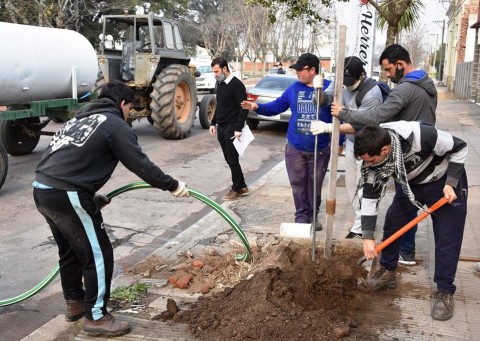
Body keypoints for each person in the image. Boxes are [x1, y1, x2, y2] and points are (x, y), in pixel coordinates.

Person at [33, 81, 190, 337]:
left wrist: (89, 195)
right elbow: (140, 164)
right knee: (98, 254)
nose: (129, 114)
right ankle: (96, 317)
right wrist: (171, 185)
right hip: (67, 193)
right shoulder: (114, 123)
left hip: (43, 189)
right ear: (123, 104)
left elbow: (69, 159)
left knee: (71, 251)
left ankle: (75, 303)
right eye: (130, 109)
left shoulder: (77, 121)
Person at [330, 44, 438, 266]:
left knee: (402, 207)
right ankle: (406, 252)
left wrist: (344, 113)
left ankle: (401, 253)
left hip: (408, 154)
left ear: (400, 64)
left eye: (388, 70)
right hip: (425, 151)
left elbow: (379, 116)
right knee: (410, 201)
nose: (387, 75)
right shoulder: (426, 85)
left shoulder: (406, 89)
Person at [353, 121, 467, 321]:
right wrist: (368, 236)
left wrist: (451, 183)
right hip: (410, 184)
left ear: (385, 150)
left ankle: (445, 291)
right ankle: (388, 272)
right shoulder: (373, 159)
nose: (369, 165)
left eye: (371, 161)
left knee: (447, 237)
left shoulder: (419, 135)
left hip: (443, 182)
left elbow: (460, 146)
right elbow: (370, 198)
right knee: (393, 222)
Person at [241, 53, 342, 228]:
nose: (297, 73)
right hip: (295, 146)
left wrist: (339, 141)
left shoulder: (329, 88)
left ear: (312, 70)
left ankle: (312, 216)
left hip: (319, 147)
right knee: (298, 185)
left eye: (300, 70)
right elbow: (277, 106)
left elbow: (340, 117)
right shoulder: (294, 89)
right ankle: (301, 218)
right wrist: (258, 107)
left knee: (314, 185)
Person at [320, 56, 383, 240]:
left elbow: (360, 125)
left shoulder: (372, 93)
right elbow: (327, 98)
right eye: (343, 81)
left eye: (350, 82)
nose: (346, 86)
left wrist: (329, 128)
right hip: (351, 143)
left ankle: (361, 228)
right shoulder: (340, 80)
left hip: (369, 146)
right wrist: (319, 93)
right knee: (351, 185)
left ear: (361, 76)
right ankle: (361, 219)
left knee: (365, 187)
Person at [209, 57, 249, 201]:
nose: (215, 74)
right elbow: (219, 105)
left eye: (217, 71)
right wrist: (213, 123)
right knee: (229, 159)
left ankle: (236, 189)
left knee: (232, 159)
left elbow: (244, 108)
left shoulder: (237, 85)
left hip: (232, 127)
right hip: (221, 126)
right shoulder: (219, 84)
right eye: (213, 71)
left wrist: (238, 128)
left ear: (225, 69)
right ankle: (242, 186)